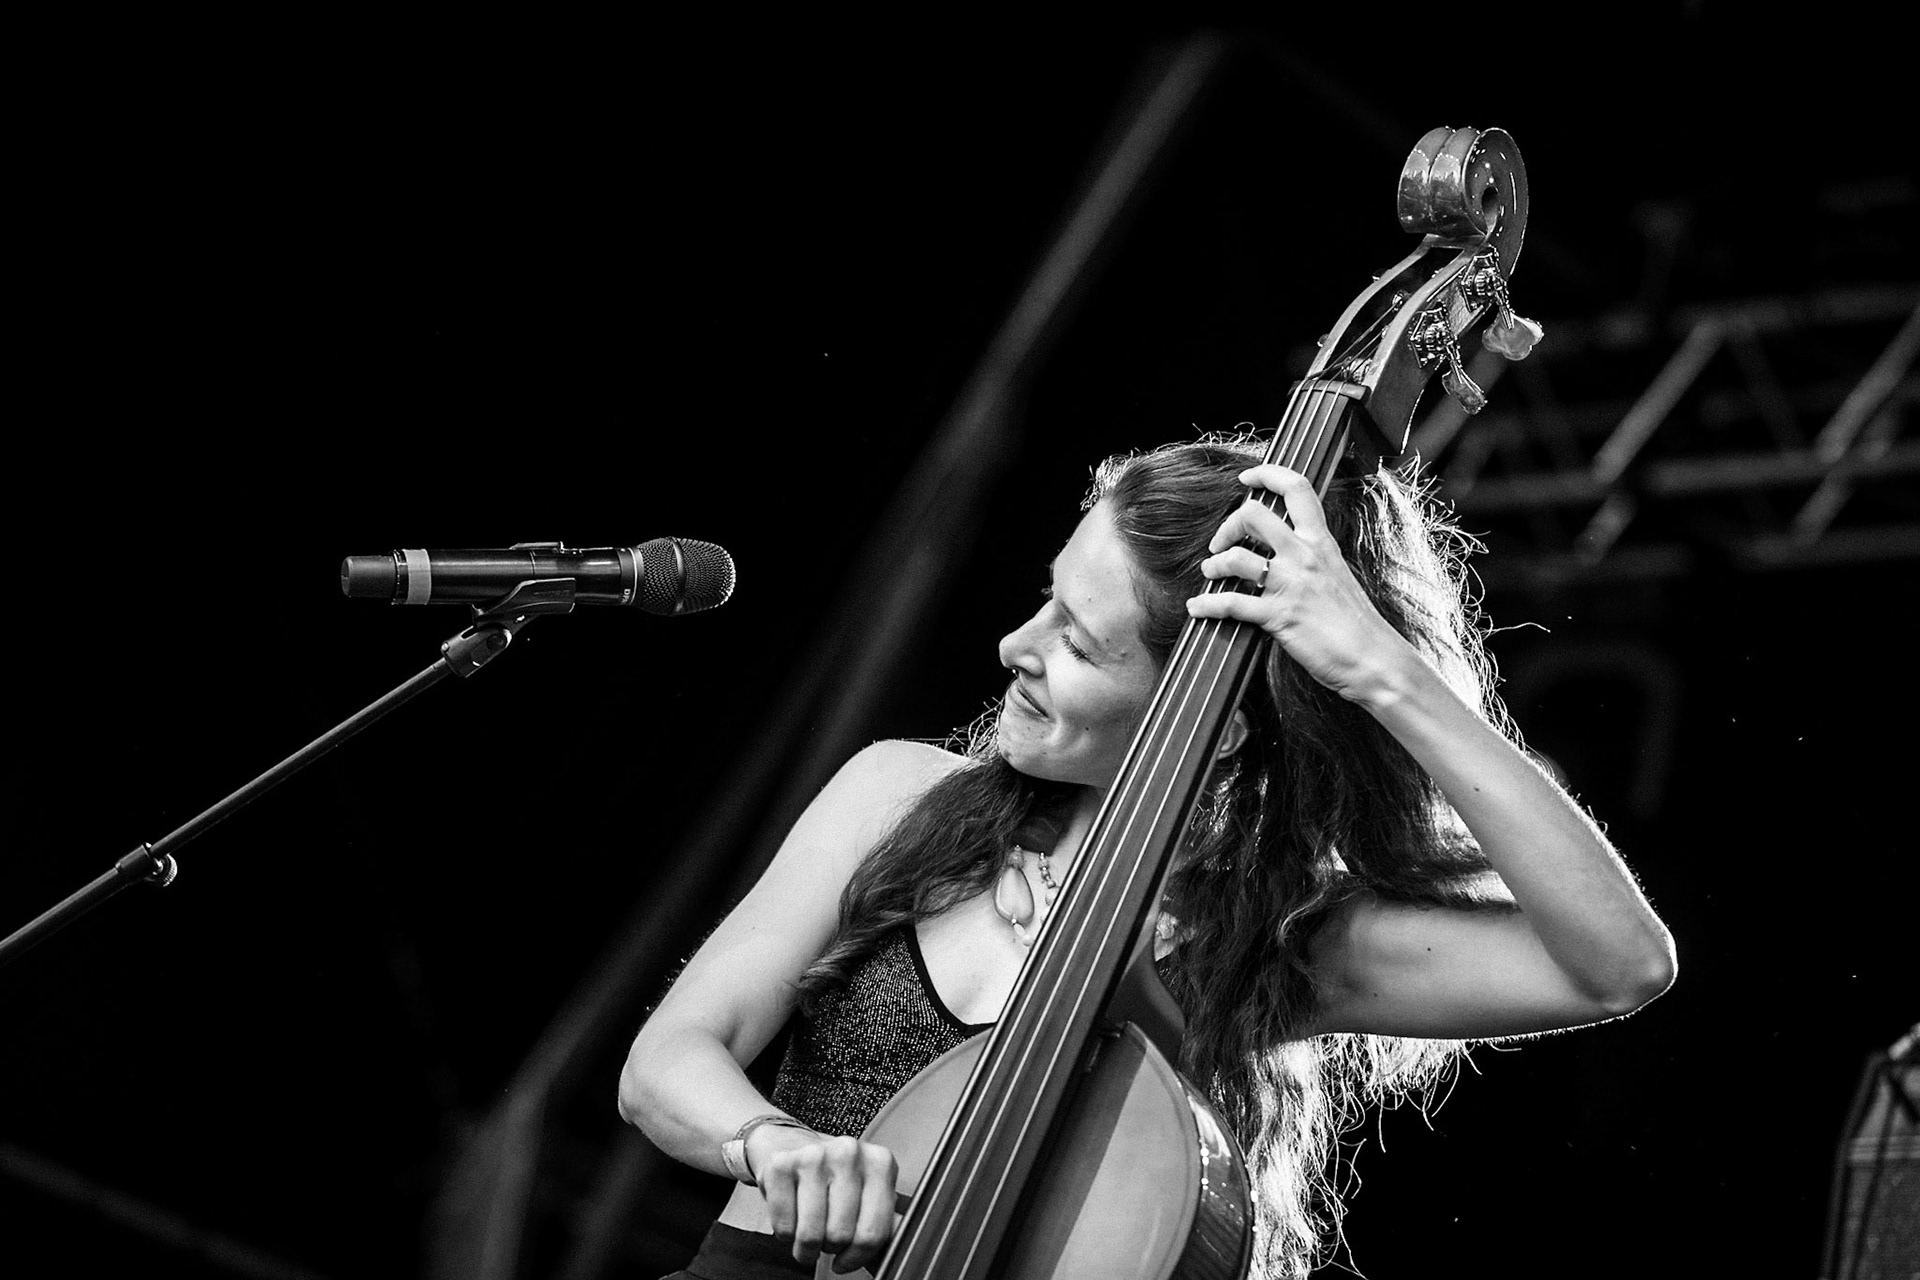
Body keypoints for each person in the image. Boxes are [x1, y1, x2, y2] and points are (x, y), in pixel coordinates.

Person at [619, 432, 1677, 1279]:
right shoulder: (899, 792)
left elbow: (1617, 964)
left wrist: (1384, 673)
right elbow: (668, 1058)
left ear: (1208, 720)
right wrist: (772, 1141)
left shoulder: (1281, 945)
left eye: (1076, 642)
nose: (1015, 648)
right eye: (1046, 599)